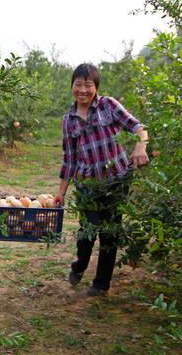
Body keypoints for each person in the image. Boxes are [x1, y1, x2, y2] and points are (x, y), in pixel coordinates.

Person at [55, 63, 149, 297]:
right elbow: (70, 159)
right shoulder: (69, 120)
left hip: (117, 179)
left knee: (109, 233)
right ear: (72, 86)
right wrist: (61, 192)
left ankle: (101, 283)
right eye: (78, 84)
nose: (83, 90)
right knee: (87, 231)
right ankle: (79, 266)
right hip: (88, 184)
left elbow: (139, 127)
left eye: (88, 85)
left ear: (96, 87)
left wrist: (140, 145)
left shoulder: (109, 106)